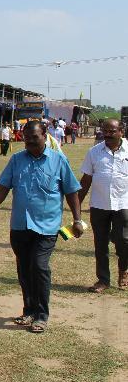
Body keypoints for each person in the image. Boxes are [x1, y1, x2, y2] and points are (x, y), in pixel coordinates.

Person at [0, 121, 83, 333]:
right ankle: (28, 309)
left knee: (39, 266)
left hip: (47, 226)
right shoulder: (16, 160)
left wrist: (76, 219)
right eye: (26, 138)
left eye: (34, 137)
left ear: (45, 135)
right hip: (20, 225)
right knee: (24, 268)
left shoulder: (58, 160)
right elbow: (4, 186)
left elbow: (72, 191)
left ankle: (41, 315)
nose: (29, 141)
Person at [78, 119, 128, 292]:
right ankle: (103, 280)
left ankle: (124, 269)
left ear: (121, 131)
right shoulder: (94, 152)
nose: (107, 133)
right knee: (100, 244)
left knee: (124, 242)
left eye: (112, 131)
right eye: (105, 130)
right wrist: (77, 205)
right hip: (99, 205)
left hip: (123, 205)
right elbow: (85, 181)